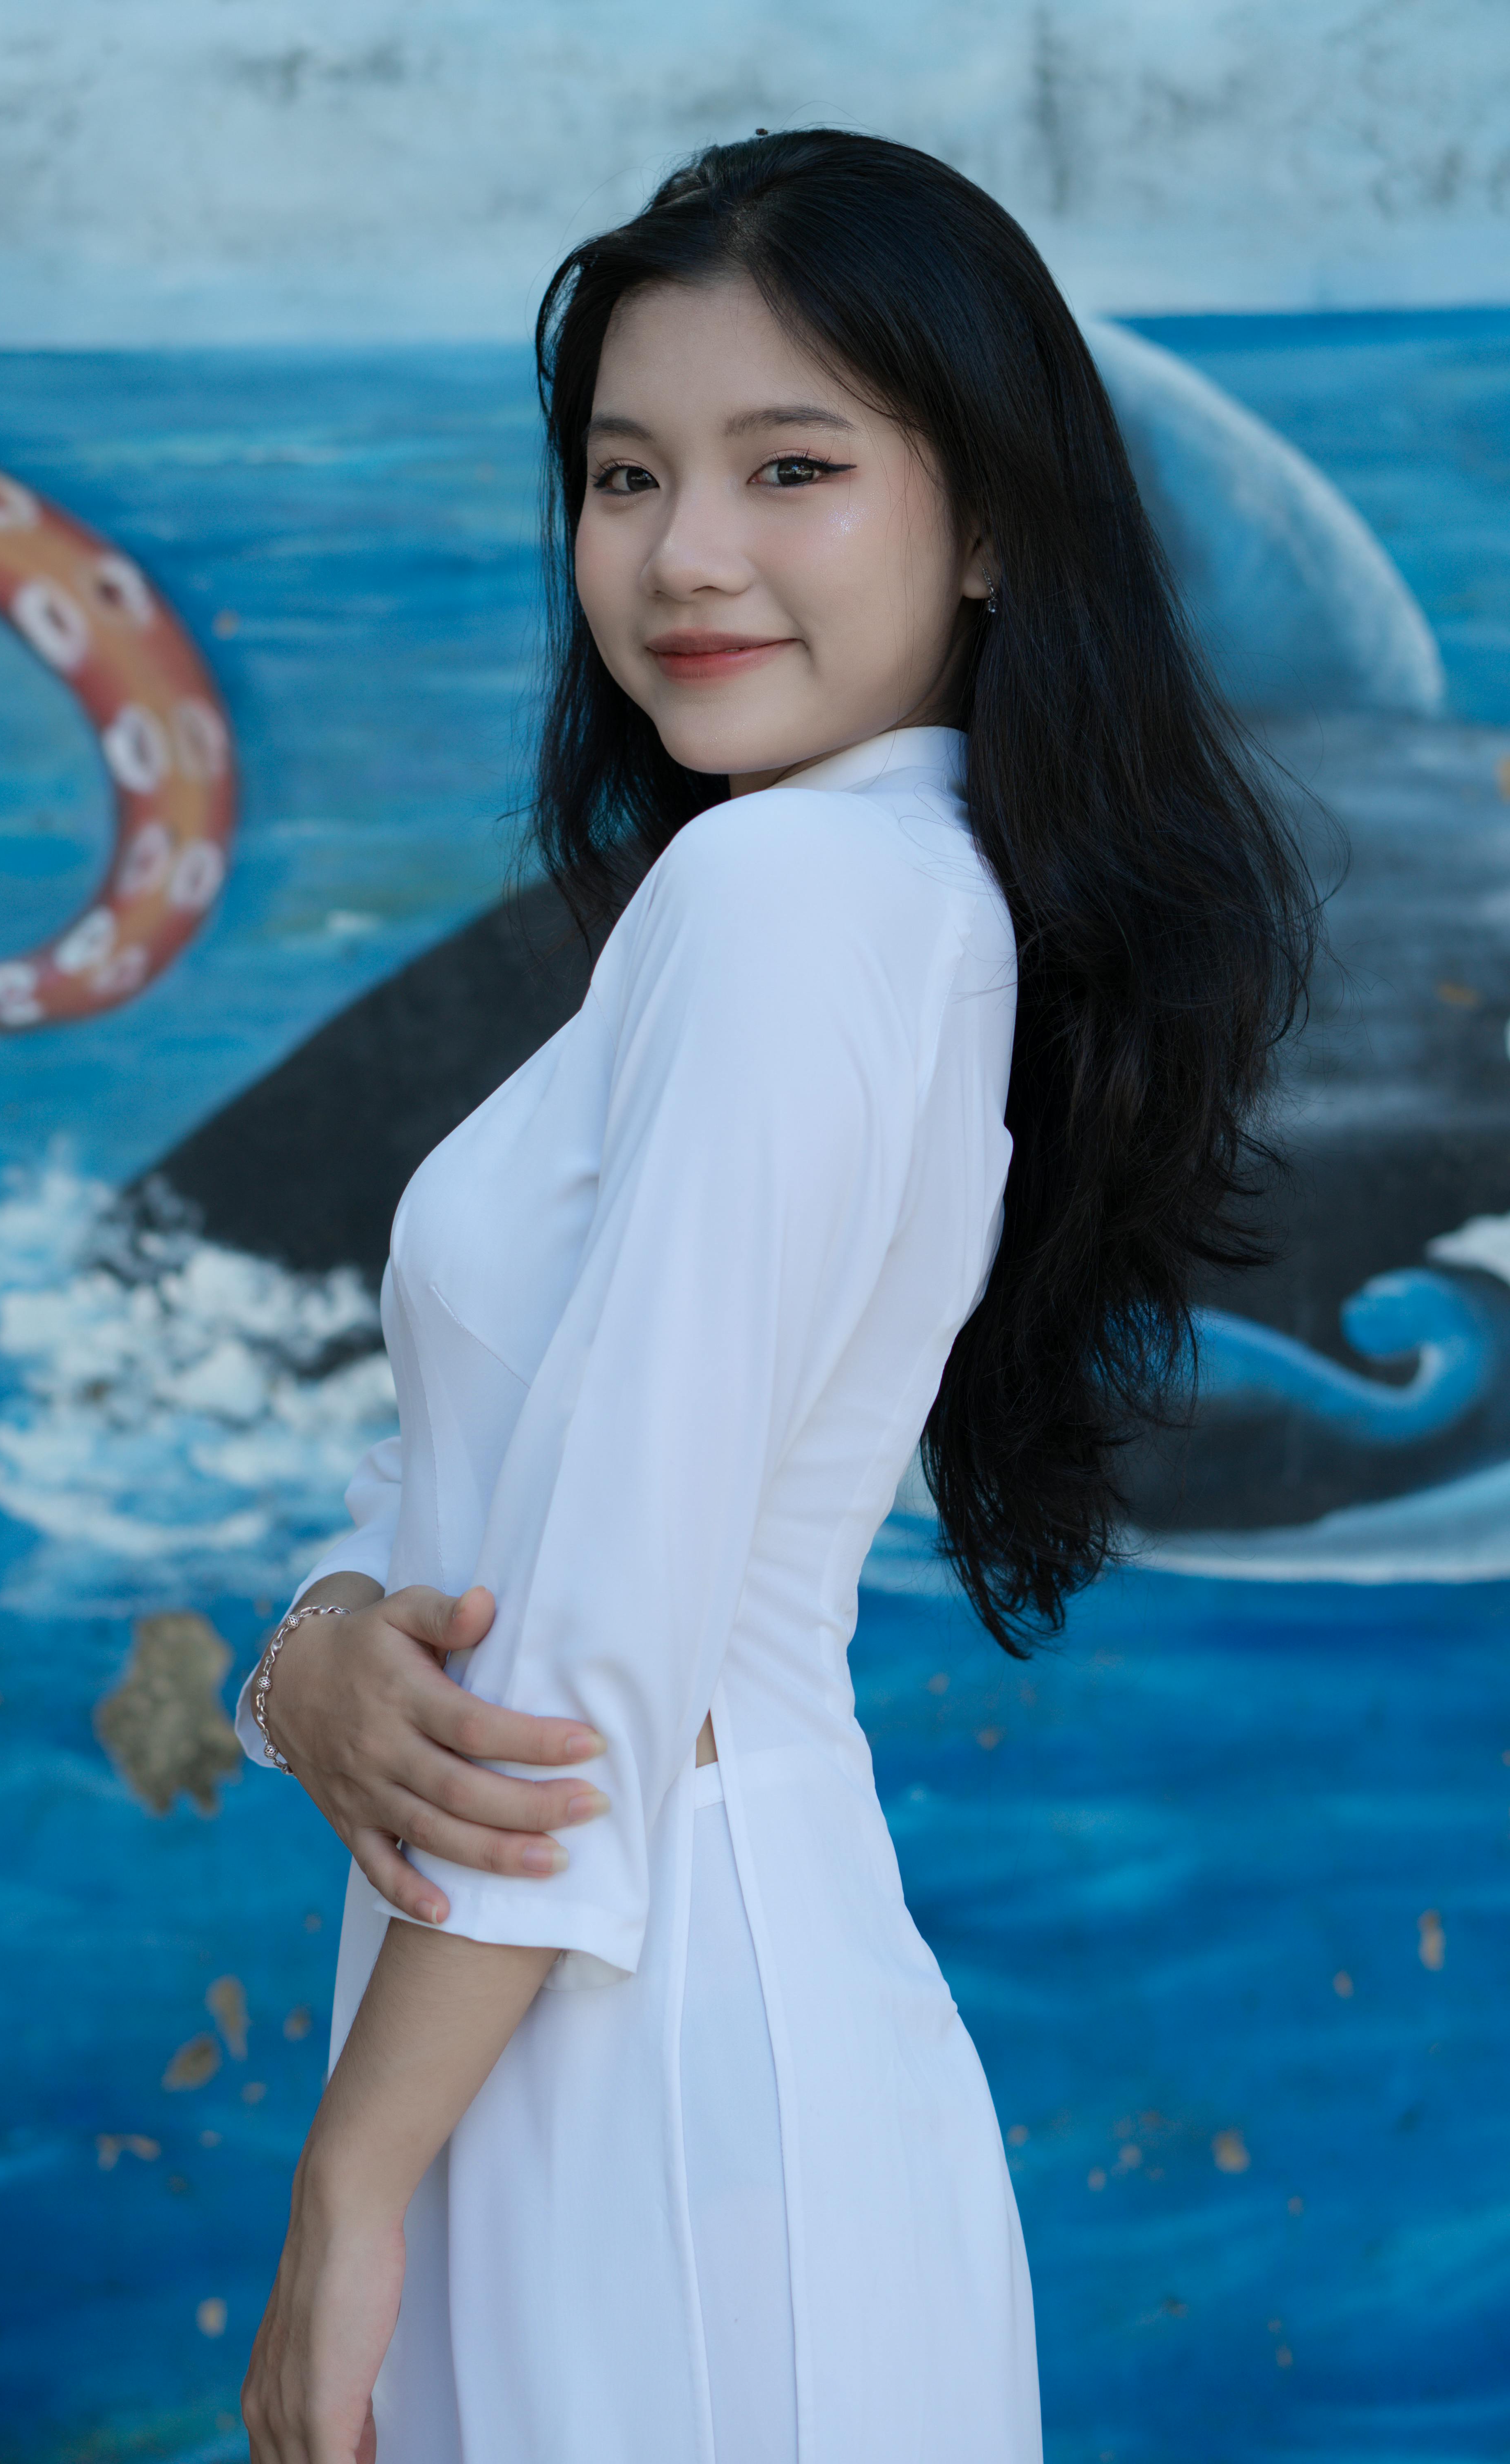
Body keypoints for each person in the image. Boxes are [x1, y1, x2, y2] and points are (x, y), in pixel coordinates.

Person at [237, 131, 1313, 2464]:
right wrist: (311, 1643)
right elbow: (499, 1481)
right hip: (622, 2005)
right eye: (628, 476)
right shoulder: (843, 892)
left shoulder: (801, 905)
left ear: (998, 518)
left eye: (791, 466)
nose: (684, 553)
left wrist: (350, 2172)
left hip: (639, 2064)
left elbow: (606, 1631)